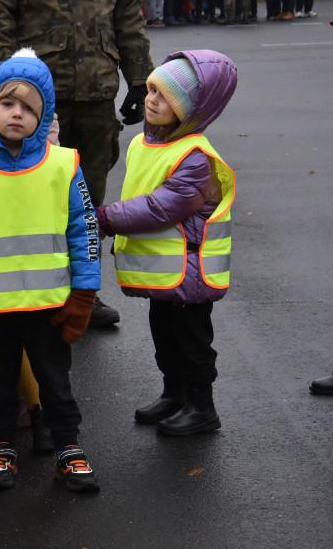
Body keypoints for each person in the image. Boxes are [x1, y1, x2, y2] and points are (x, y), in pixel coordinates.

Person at [0, 0, 151, 327]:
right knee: (31, 196)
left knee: (87, 203)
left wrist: (139, 79)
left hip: (96, 95)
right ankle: (34, 293)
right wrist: (4, 84)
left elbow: (129, 15)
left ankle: (84, 296)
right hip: (35, 100)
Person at [0, 48, 102, 493]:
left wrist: (84, 295)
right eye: (7, 104)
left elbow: (85, 231)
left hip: (48, 308)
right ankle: (1, 447)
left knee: (56, 383)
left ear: (45, 114)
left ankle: (68, 449)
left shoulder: (63, 165)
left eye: (29, 107)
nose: (17, 114)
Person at [96, 50, 236, 436]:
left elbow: (162, 207)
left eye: (164, 97)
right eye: (151, 90)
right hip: (168, 271)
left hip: (189, 271)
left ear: (191, 110)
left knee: (192, 341)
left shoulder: (194, 157)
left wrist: (105, 218)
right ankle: (174, 393)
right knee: (164, 334)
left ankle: (202, 405)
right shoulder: (147, 142)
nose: (151, 100)